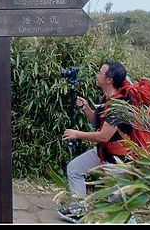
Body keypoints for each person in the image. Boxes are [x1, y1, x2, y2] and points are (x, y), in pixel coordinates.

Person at [58, 60, 137, 224]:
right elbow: (98, 122)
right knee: (75, 169)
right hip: (104, 152)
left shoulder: (119, 105)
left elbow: (104, 136)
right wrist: (86, 108)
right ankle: (78, 211)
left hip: (117, 161)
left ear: (109, 79)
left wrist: (77, 134)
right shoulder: (107, 98)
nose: (97, 74)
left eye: (100, 72)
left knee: (118, 205)